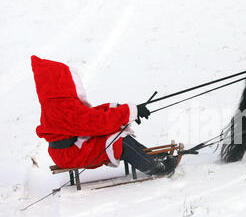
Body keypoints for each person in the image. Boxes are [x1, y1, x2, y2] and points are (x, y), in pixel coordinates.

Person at [31, 55, 177, 176]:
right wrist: (128, 112)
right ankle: (154, 167)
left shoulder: (58, 104)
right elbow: (95, 123)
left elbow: (89, 115)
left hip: (72, 148)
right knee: (119, 141)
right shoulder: (61, 108)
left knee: (117, 133)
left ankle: (150, 157)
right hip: (70, 154)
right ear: (59, 83)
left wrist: (121, 109)